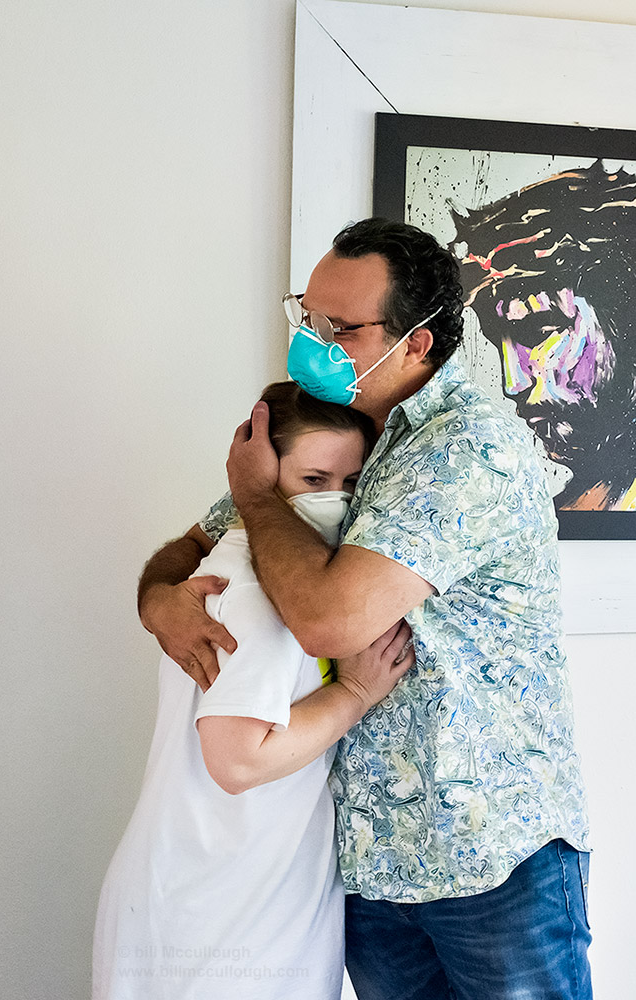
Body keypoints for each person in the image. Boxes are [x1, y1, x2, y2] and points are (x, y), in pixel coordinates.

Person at [137, 218, 592, 1000]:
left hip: (490, 853)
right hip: (369, 861)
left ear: (417, 342)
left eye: (338, 328)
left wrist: (255, 489)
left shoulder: (467, 446)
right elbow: (191, 548)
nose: (313, 342)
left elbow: (330, 621)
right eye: (306, 318)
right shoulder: (332, 432)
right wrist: (158, 602)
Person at [94, 382, 414, 1000]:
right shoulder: (256, 581)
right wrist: (354, 691)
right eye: (315, 479)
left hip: (224, 898)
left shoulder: (272, 566)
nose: (336, 501)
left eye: (353, 484)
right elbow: (237, 759)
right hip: (219, 916)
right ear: (261, 477)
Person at [453, 164, 636, 512]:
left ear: (634, 318)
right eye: (498, 340)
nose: (512, 383)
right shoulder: (580, 502)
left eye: (540, 331)